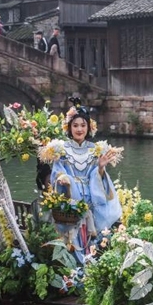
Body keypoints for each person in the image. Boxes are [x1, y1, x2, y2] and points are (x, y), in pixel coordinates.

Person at [50, 98, 121, 262]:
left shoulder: (95, 149)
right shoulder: (61, 149)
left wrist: (101, 168)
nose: (79, 129)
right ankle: (74, 268)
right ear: (69, 128)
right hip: (71, 198)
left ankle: (91, 266)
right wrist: (63, 179)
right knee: (72, 235)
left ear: (89, 127)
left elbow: (97, 176)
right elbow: (57, 173)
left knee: (92, 237)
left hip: (91, 197)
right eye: (75, 125)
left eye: (83, 125)